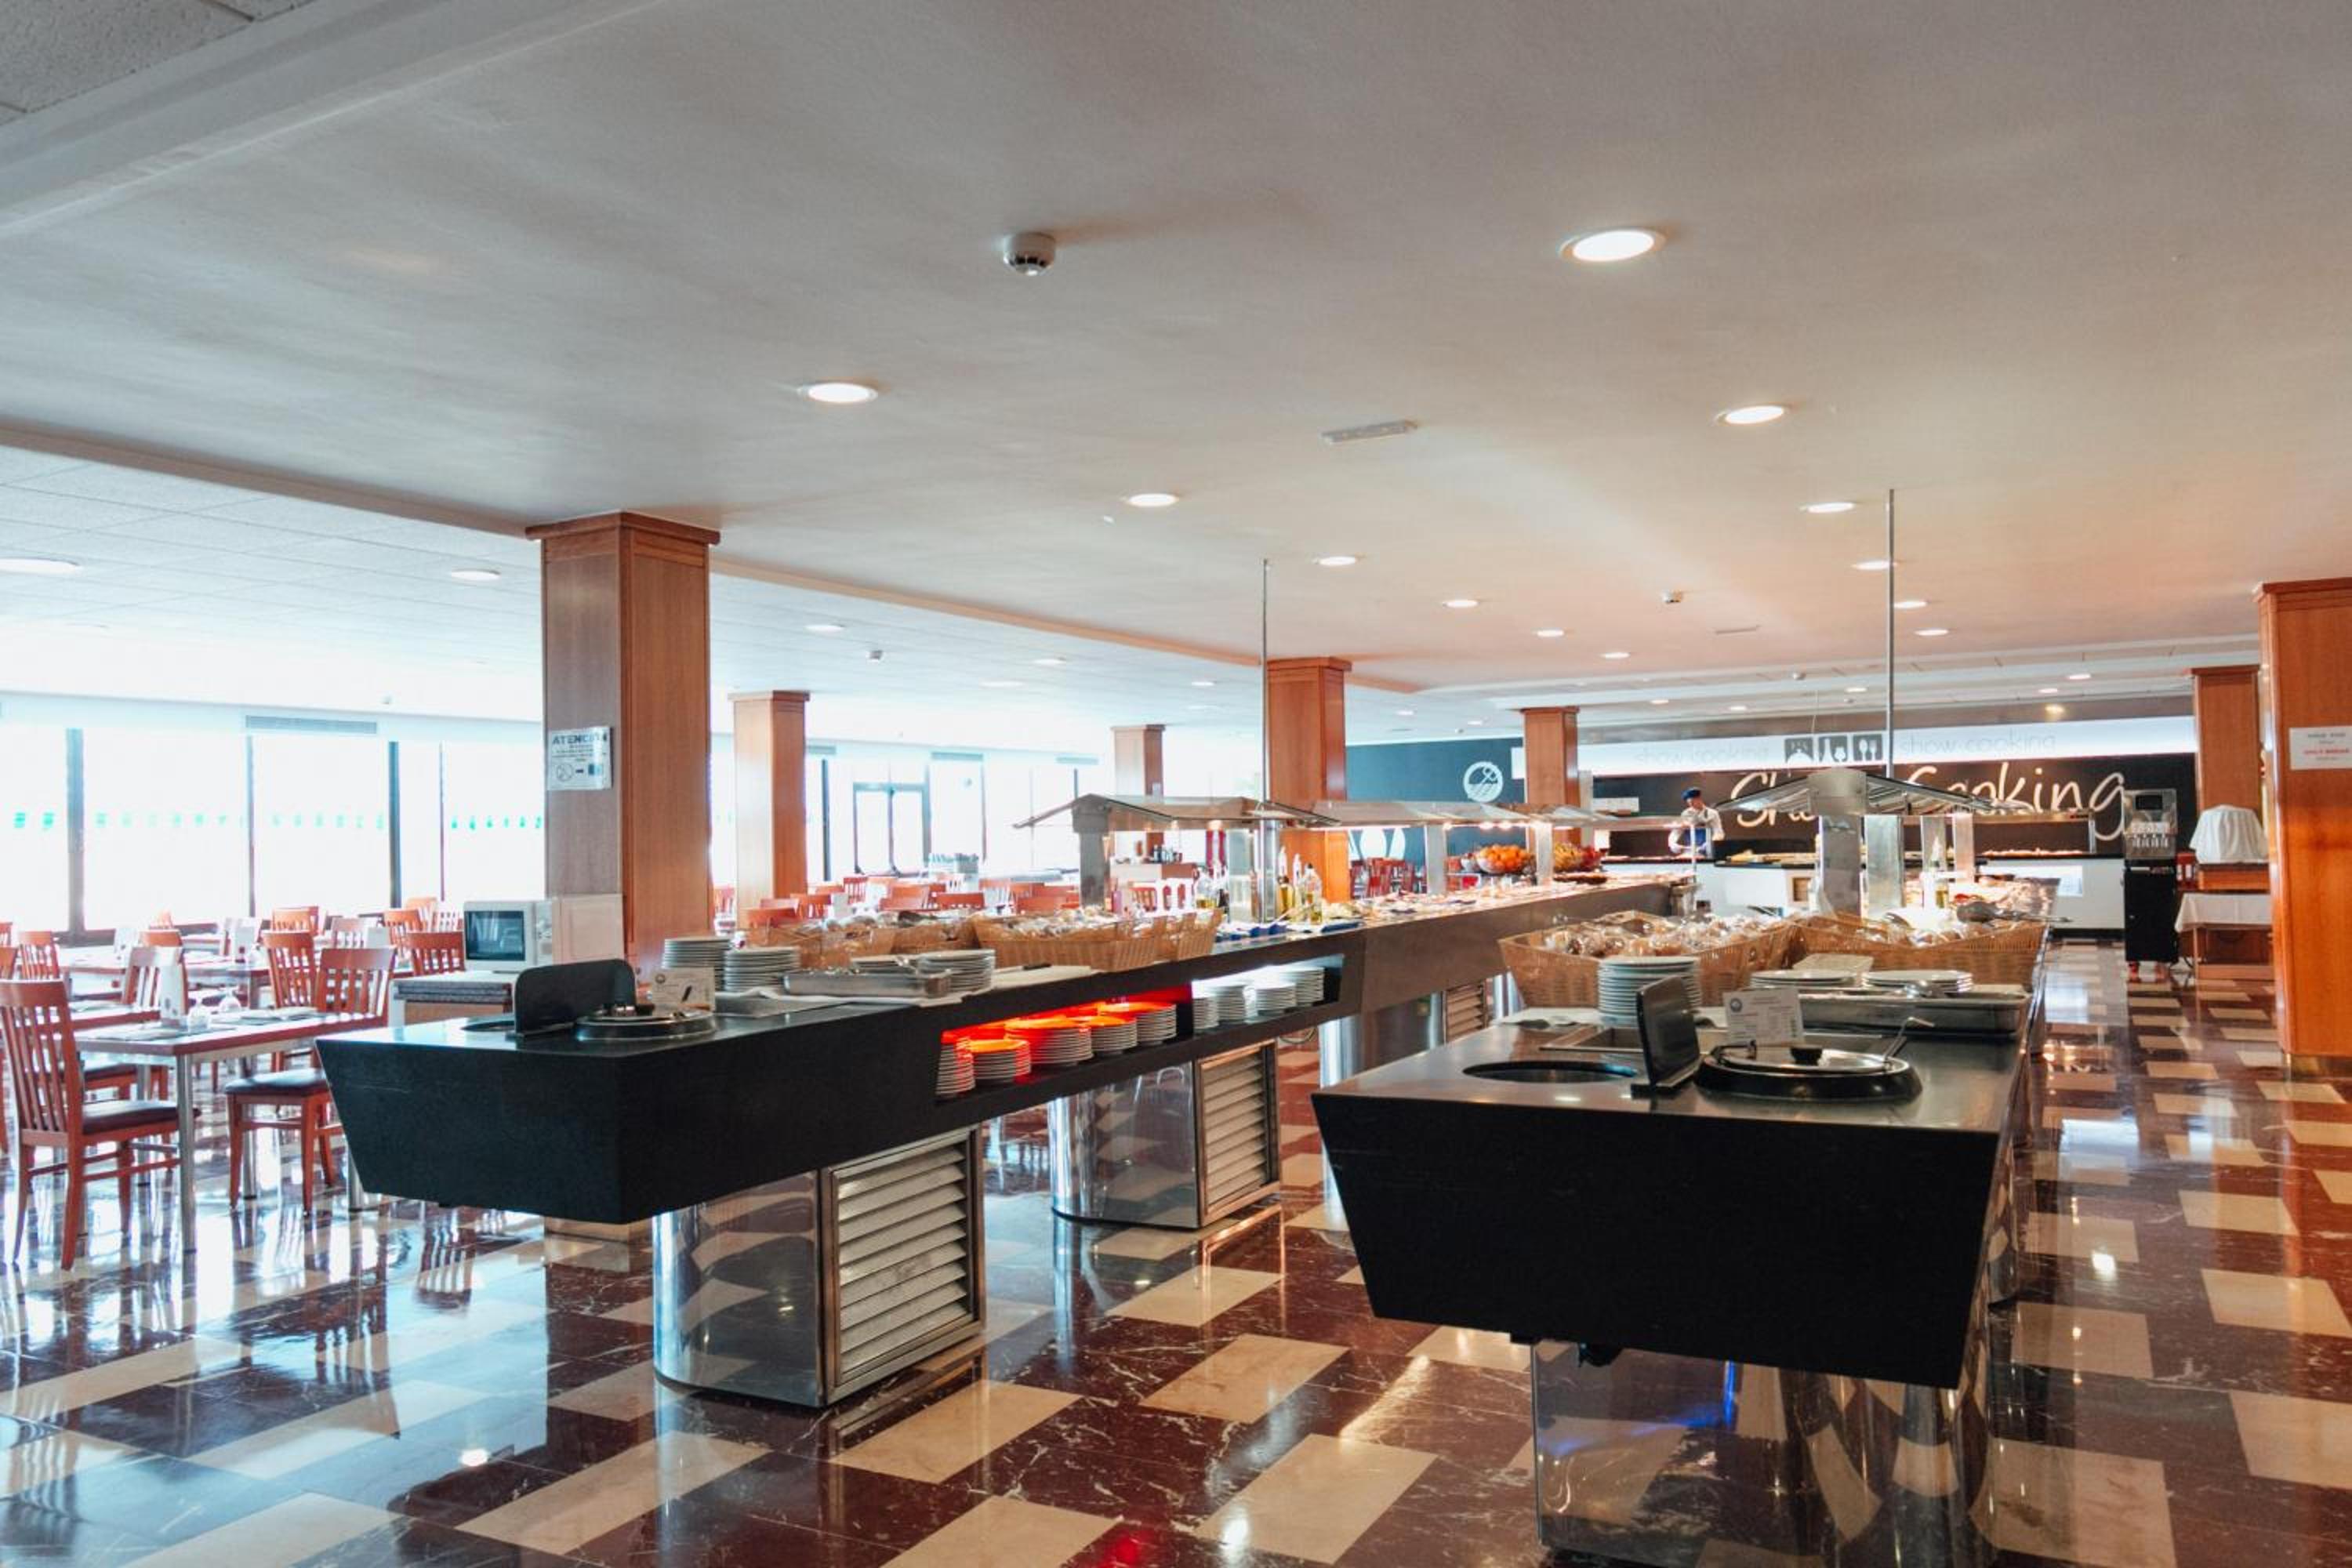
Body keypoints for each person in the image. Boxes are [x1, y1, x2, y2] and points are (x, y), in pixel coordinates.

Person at [1669, 787, 1725, 860]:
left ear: (1699, 799)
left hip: (1707, 852)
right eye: (1689, 803)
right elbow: (1677, 831)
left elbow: (1719, 833)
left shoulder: (1712, 813)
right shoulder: (1685, 813)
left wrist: (1709, 844)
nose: (1691, 805)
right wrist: (1673, 843)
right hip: (1690, 852)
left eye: (1692, 802)